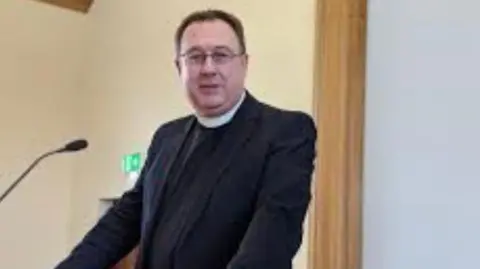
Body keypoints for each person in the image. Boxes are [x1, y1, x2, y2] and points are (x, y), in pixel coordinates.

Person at [55, 9, 317, 269]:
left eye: (221, 55)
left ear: (244, 63)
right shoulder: (166, 137)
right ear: (179, 67)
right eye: (195, 57)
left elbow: (273, 235)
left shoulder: (285, 132)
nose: (208, 68)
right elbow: (126, 218)